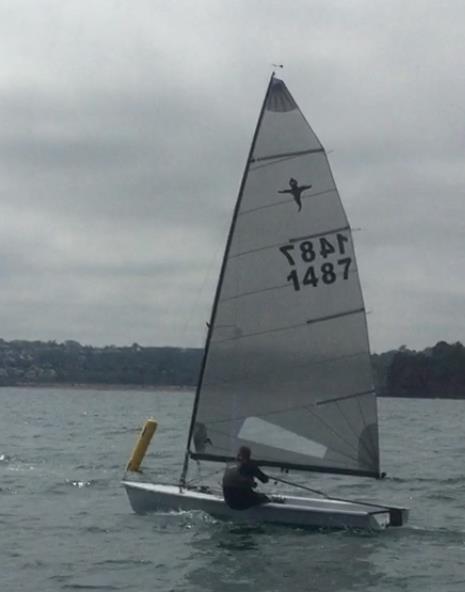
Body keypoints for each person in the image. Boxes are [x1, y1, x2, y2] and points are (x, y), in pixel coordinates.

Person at [222, 446, 270, 510]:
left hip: (229, 502)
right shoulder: (251, 465)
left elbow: (238, 480)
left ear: (238, 455)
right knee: (264, 498)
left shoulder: (231, 464)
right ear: (249, 456)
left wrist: (252, 483)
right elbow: (265, 480)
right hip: (243, 503)